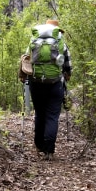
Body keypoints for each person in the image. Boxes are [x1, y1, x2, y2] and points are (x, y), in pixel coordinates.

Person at [23, 19, 71, 160]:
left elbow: (26, 60)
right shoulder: (60, 43)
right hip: (55, 84)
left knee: (40, 113)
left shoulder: (34, 41)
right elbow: (68, 65)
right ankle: (49, 151)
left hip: (36, 83)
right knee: (52, 116)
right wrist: (67, 75)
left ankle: (39, 146)